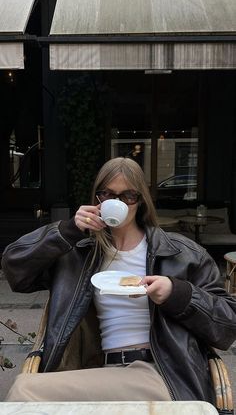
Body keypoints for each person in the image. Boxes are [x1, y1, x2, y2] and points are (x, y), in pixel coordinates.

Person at [2, 157, 236, 403]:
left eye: (128, 196)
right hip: (104, 371)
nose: (118, 202)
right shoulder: (80, 253)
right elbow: (16, 270)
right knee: (27, 390)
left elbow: (228, 324)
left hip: (163, 373)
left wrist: (175, 293)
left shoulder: (181, 253)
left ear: (141, 201)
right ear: (98, 199)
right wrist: (67, 230)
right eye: (108, 194)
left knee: (25, 391)